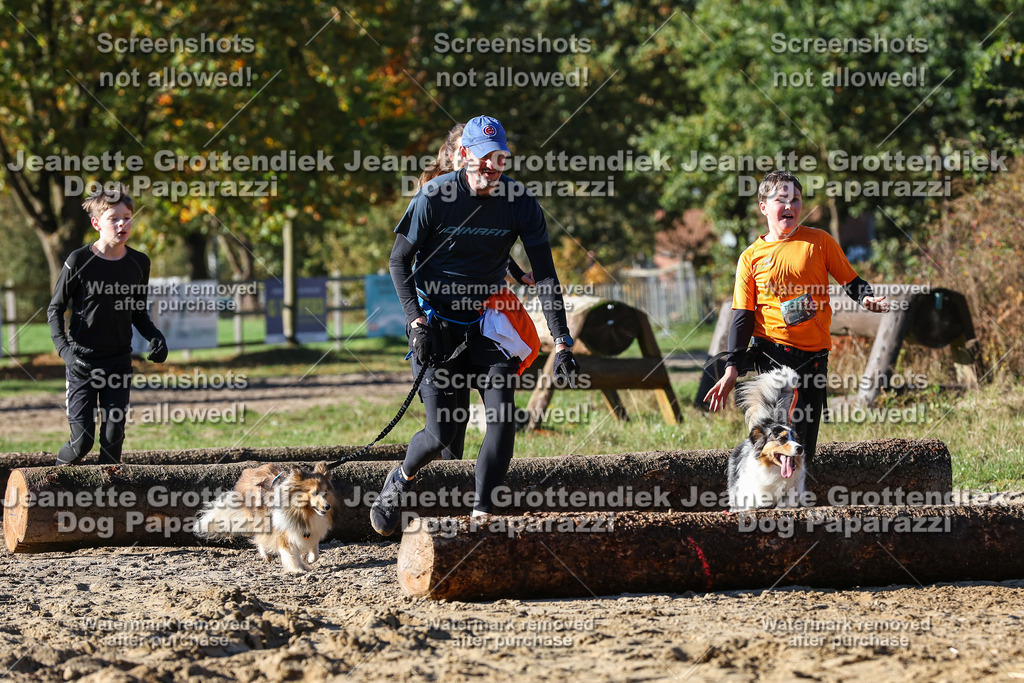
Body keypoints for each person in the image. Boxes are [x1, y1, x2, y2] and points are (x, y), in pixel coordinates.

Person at [371, 115, 579, 535]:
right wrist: (414, 322)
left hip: (484, 322)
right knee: (444, 430)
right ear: (463, 155)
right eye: (483, 159)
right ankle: (400, 480)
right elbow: (398, 261)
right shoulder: (434, 197)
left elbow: (546, 275)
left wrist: (562, 342)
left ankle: (482, 517)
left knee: (503, 416)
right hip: (435, 326)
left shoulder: (520, 202)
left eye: (499, 159)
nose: (491, 168)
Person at [703, 170, 888, 462]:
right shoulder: (751, 257)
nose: (790, 206)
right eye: (781, 200)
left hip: (814, 359)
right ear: (764, 206)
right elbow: (742, 316)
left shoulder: (819, 242)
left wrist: (866, 297)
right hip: (774, 356)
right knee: (777, 436)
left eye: (796, 200)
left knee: (804, 444)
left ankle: (795, 501)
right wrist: (731, 368)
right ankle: (758, 496)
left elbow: (851, 281)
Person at [47, 183, 168, 465]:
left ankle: (107, 505)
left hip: (118, 362)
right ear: (96, 223)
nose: (122, 223)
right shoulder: (78, 260)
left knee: (113, 440)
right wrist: (66, 353)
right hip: (82, 363)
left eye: (126, 217)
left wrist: (155, 336)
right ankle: (50, 488)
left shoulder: (139, 262)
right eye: (114, 218)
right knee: (81, 443)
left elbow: (137, 311)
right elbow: (55, 309)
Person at [419, 122, 535, 287]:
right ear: (457, 155)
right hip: (439, 291)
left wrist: (519, 274)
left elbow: (486, 245)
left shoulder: (484, 192)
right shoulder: (435, 196)